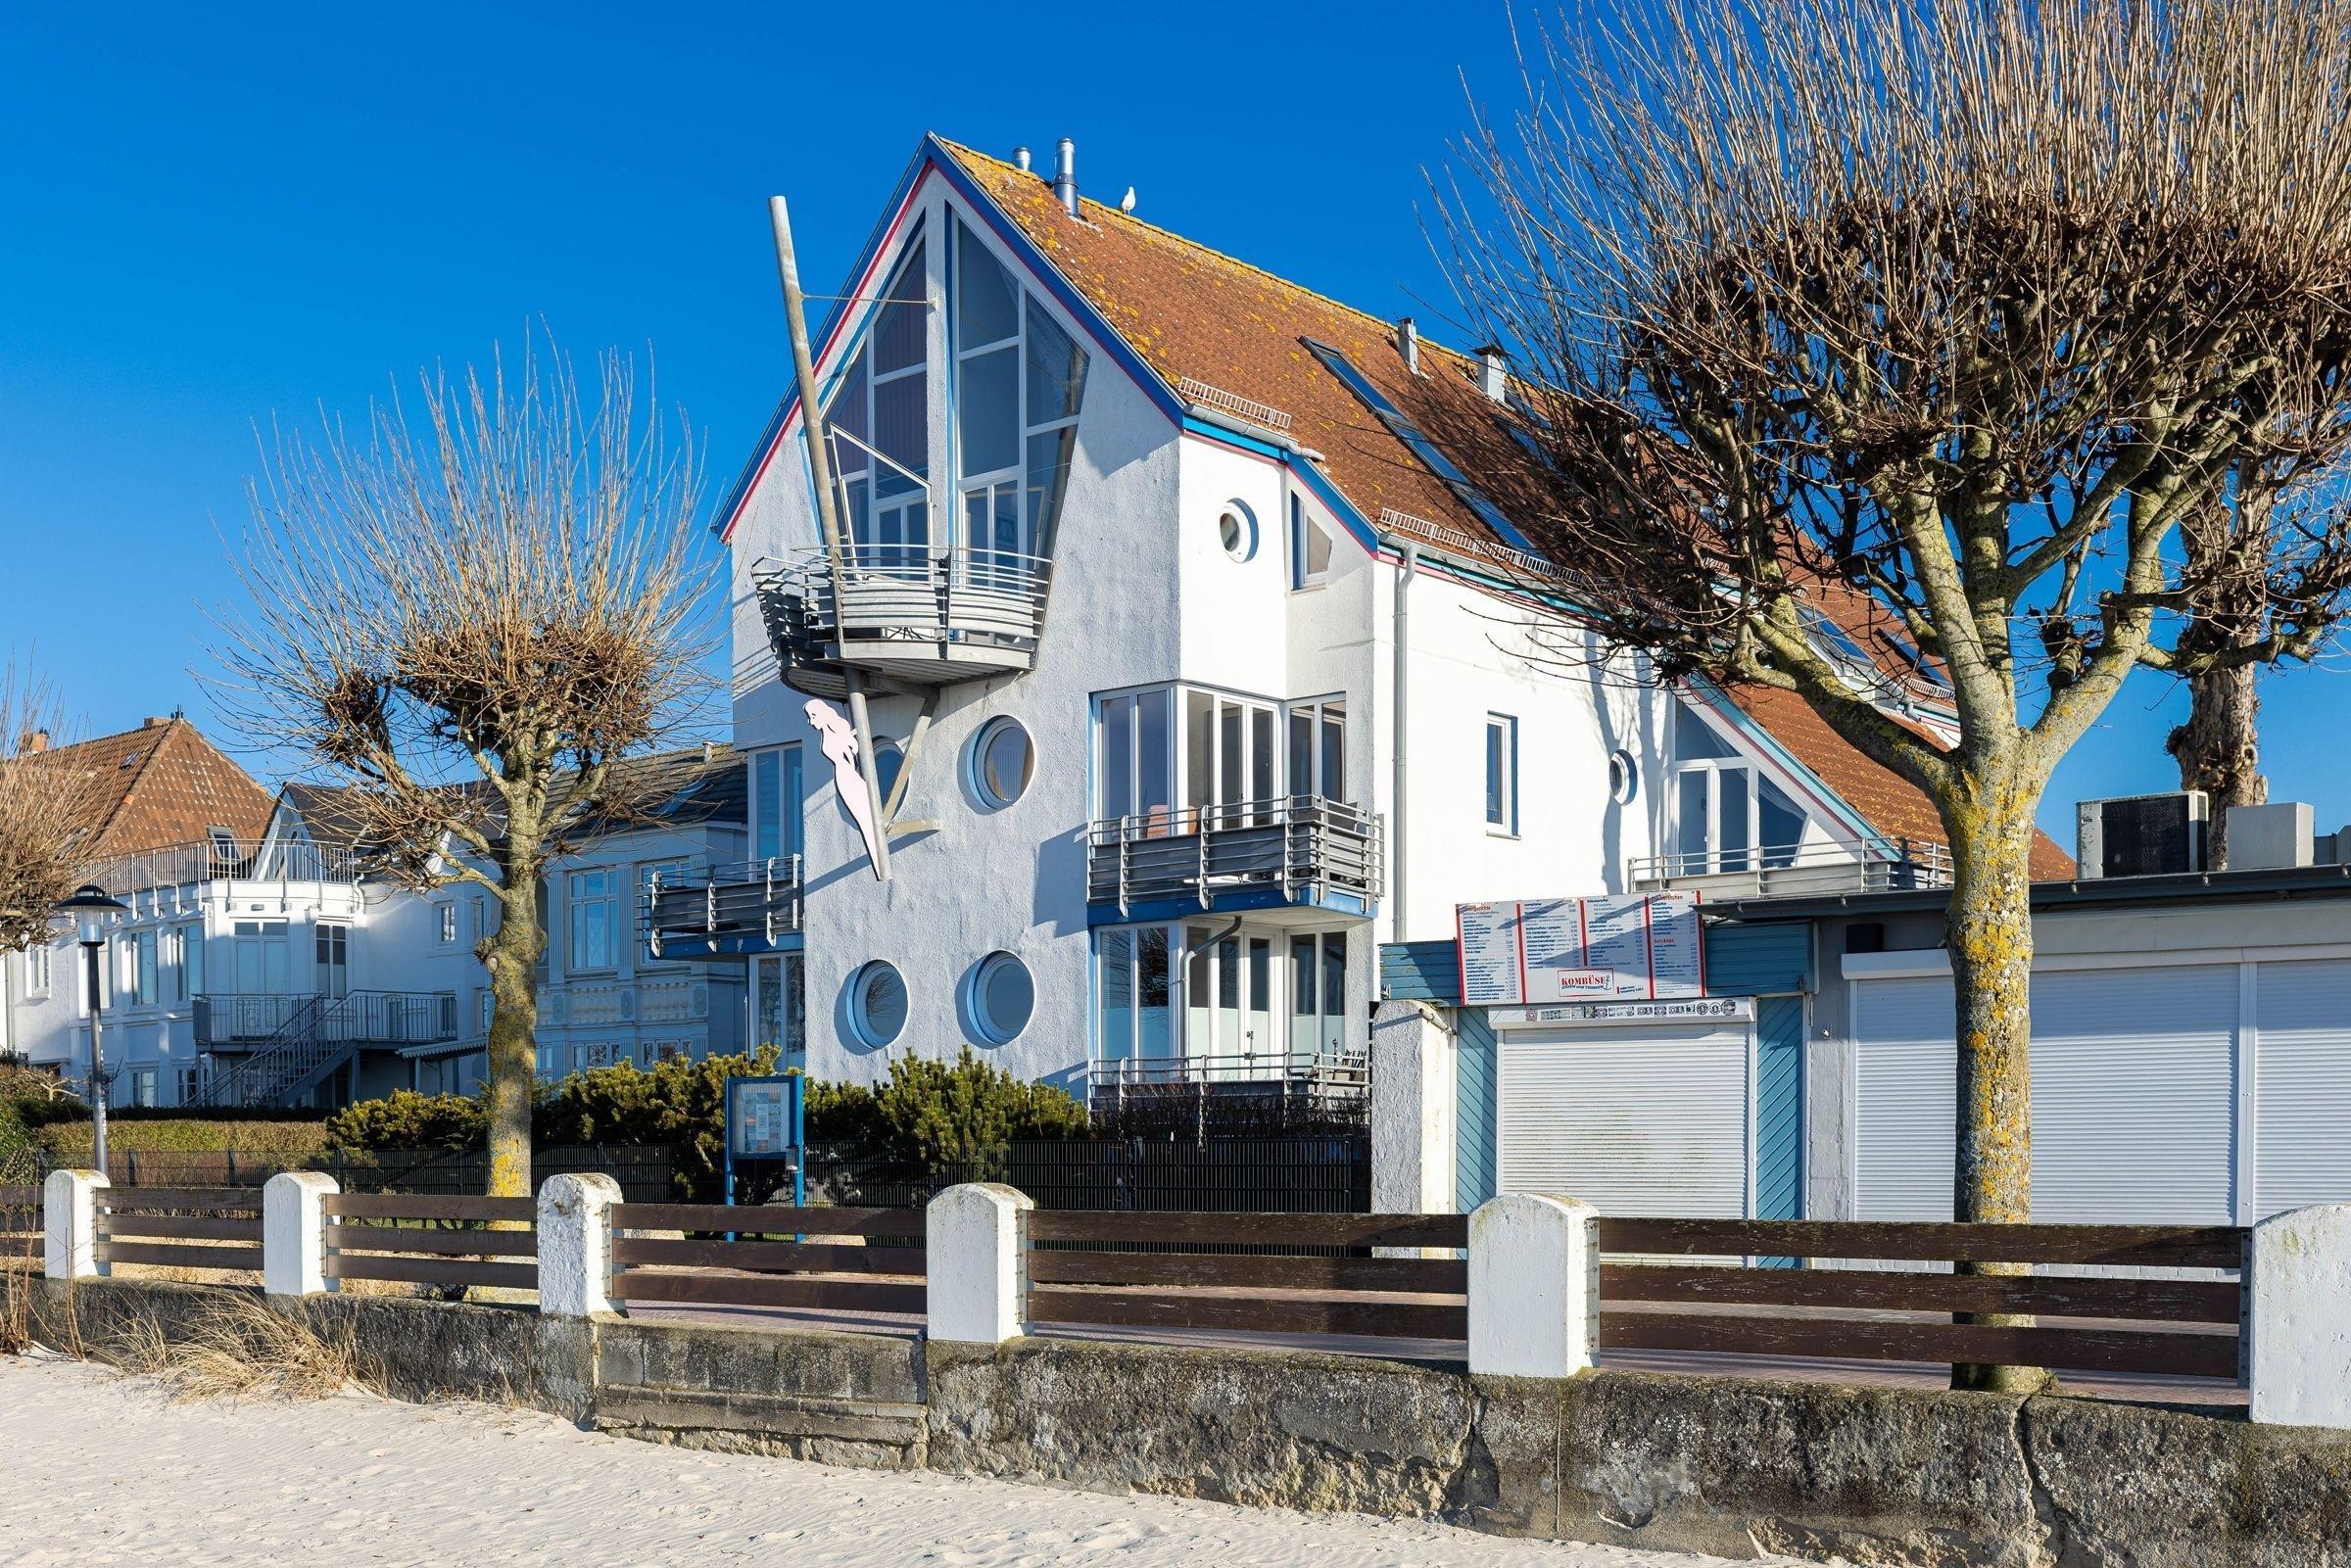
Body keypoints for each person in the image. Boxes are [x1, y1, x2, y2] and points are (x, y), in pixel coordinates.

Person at [806, 698, 881, 875]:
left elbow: (851, 754)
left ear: (823, 714)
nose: (811, 721)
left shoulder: (837, 732)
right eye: (810, 717)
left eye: (813, 716)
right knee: (863, 820)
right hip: (844, 778)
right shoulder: (828, 733)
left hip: (849, 777)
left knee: (866, 819)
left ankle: (880, 862)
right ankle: (879, 862)